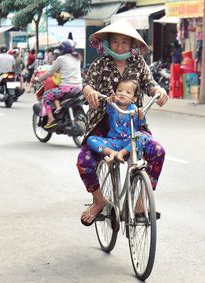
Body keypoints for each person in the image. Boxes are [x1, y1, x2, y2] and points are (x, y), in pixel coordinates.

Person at [77, 19, 168, 226]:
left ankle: (140, 203)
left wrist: (159, 92)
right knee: (84, 161)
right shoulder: (100, 63)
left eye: (125, 43)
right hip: (102, 126)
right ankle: (99, 200)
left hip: (133, 127)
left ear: (132, 45)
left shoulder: (139, 64)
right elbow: (87, 84)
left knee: (158, 151)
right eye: (116, 42)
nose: (120, 46)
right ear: (108, 43)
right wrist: (89, 92)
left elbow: (151, 84)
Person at [87, 79, 149, 164]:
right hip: (113, 142)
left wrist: (141, 116)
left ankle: (122, 153)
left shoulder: (134, 109)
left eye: (128, 92)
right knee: (90, 139)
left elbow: (140, 123)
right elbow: (110, 102)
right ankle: (111, 152)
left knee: (143, 137)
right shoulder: (113, 106)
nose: (123, 93)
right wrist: (111, 100)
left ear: (134, 99)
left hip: (129, 142)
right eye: (119, 91)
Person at [35, 39, 82, 129]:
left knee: (46, 95)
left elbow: (50, 72)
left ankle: (51, 118)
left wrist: (39, 79)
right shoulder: (77, 58)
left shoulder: (61, 59)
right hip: (78, 88)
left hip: (66, 89)